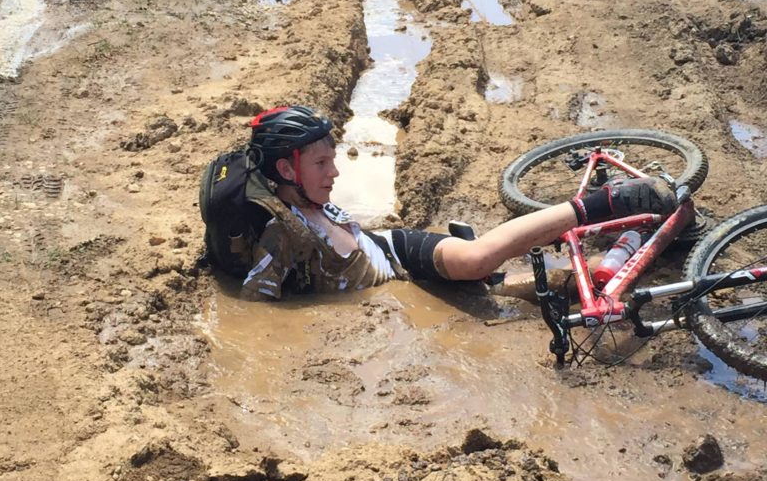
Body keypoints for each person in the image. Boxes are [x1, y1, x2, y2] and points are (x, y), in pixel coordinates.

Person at [239, 105, 677, 301]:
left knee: (476, 258)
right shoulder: (281, 234)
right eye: (321, 164)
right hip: (399, 280)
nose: (334, 173)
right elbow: (257, 316)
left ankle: (609, 203)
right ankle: (647, 237)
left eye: (332, 161)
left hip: (393, 250)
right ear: (285, 171)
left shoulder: (302, 200)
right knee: (552, 291)